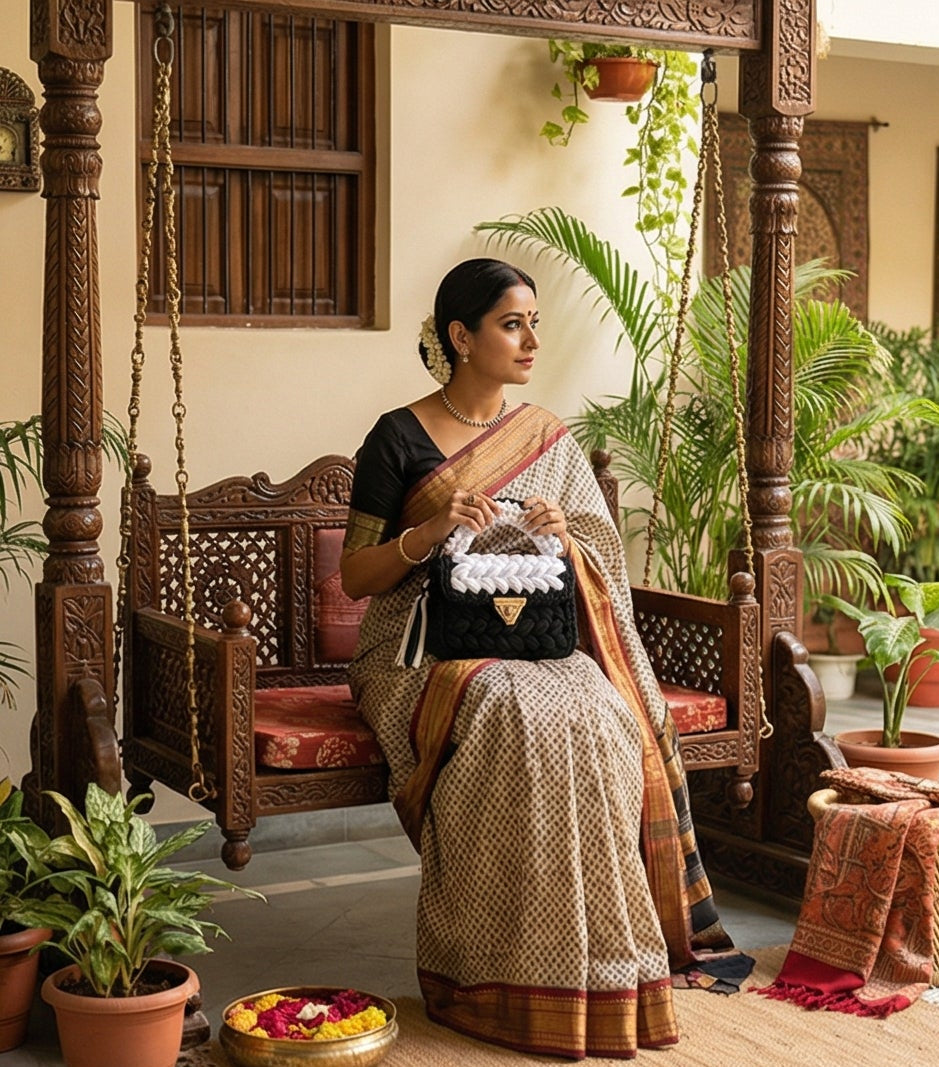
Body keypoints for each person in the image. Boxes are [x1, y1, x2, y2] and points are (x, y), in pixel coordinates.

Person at [341, 258, 740, 1059]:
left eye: (532, 324)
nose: (529, 340)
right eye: (510, 324)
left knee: (597, 710)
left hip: (534, 635)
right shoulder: (397, 435)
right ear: (460, 336)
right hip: (421, 644)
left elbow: (595, 557)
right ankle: (493, 970)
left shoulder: (547, 436)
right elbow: (357, 578)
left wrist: (565, 534)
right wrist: (426, 532)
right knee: (509, 711)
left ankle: (601, 964)